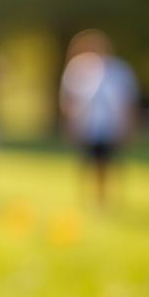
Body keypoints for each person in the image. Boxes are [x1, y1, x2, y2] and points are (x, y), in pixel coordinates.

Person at [60, 30, 139, 209]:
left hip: (110, 126)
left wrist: (128, 126)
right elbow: (68, 101)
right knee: (85, 164)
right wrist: (70, 124)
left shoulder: (119, 70)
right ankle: (85, 200)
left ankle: (104, 201)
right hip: (86, 125)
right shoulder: (77, 69)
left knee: (107, 165)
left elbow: (127, 101)